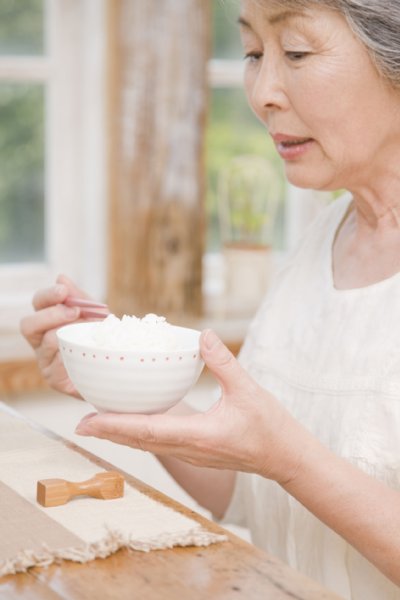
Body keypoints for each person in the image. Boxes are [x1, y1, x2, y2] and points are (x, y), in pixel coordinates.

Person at [20, 0, 400, 597]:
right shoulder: (319, 241)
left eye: (295, 51)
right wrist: (121, 373)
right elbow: (250, 491)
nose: (263, 92)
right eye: (252, 54)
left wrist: (290, 459)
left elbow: (284, 462)